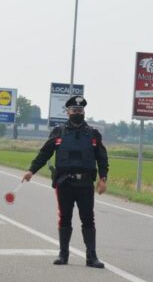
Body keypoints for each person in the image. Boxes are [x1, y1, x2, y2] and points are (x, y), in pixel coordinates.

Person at [21, 95, 108, 268]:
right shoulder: (58, 132)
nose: (78, 113)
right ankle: (63, 254)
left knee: (88, 219)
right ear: (67, 112)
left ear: (84, 112)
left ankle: (92, 257)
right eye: (74, 110)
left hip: (84, 183)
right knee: (65, 217)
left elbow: (102, 157)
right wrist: (32, 170)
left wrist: (103, 178)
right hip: (64, 183)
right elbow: (45, 153)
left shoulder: (92, 134)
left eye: (80, 110)